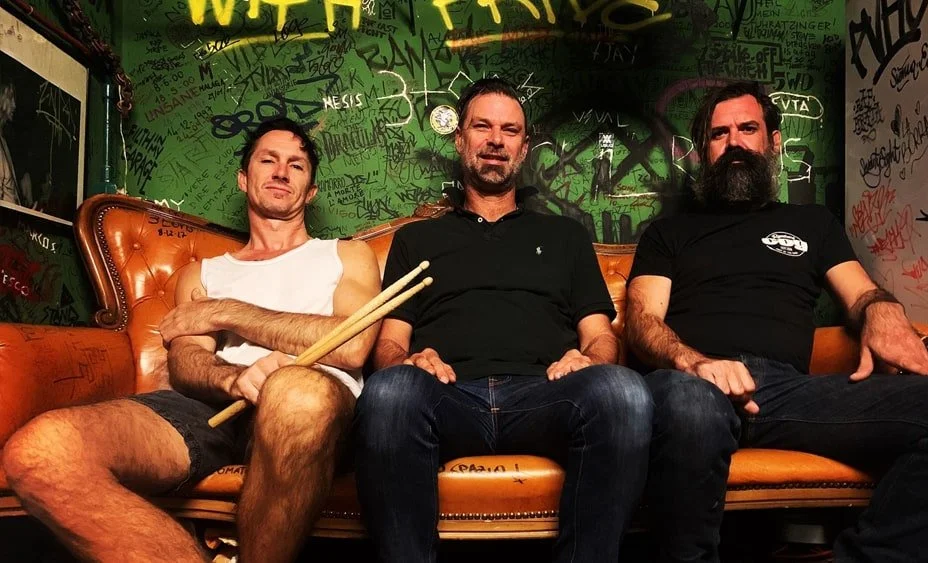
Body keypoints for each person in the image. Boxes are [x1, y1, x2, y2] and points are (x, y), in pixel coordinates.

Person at [626, 80, 928, 562]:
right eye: (720, 134)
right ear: (703, 151)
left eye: (747, 129)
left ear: (773, 142)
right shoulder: (668, 233)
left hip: (787, 394)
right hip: (694, 383)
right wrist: (694, 363)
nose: (734, 143)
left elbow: (861, 292)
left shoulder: (813, 224)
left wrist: (882, 310)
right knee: (689, 405)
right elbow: (642, 321)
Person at [2, 117, 382, 563]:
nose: (281, 172)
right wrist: (234, 380)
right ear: (244, 179)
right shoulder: (202, 274)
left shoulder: (345, 255)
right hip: (211, 408)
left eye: (296, 165)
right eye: (268, 160)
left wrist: (227, 311)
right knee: (39, 452)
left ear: (310, 191)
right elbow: (185, 362)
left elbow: (351, 344)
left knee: (295, 392)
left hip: (312, 408)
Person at [352, 78, 653, 563]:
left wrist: (589, 360)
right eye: (482, 127)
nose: (496, 140)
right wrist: (409, 361)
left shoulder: (566, 236)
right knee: (388, 392)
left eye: (510, 130)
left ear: (524, 147)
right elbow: (389, 344)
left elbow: (601, 337)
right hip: (448, 395)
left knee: (623, 391)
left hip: (545, 395)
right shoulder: (417, 240)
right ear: (460, 140)